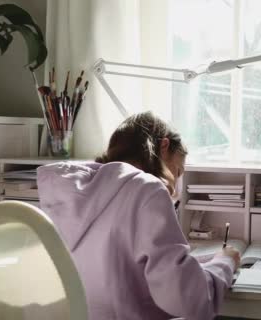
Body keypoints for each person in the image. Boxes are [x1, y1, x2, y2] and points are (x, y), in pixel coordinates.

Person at [37, 112, 240, 320]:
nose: (176, 188)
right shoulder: (148, 189)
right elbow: (184, 297)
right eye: (177, 172)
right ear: (163, 146)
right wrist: (224, 263)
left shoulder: (65, 194)